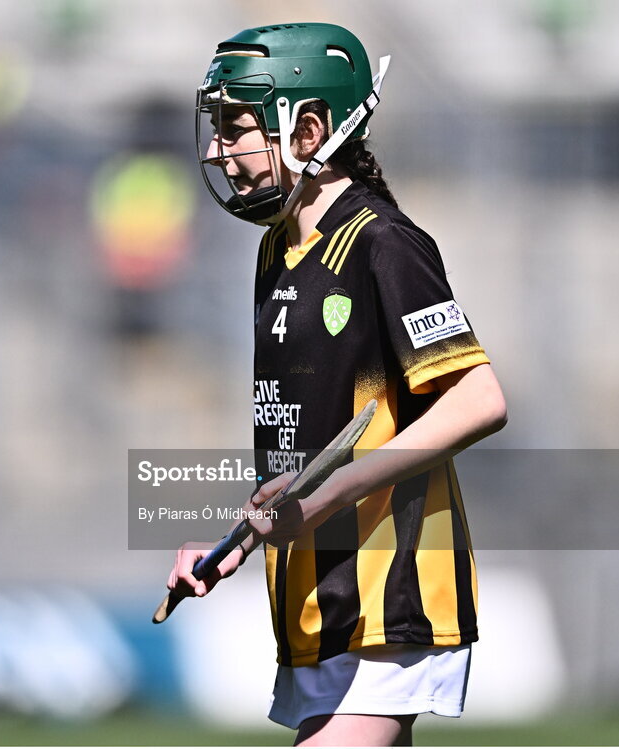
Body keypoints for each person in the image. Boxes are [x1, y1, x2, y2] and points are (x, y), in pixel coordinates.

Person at [167, 22, 508, 747]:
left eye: (237, 128)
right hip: (316, 599)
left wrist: (324, 499)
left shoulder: (384, 244)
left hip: (388, 593)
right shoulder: (276, 251)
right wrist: (231, 545)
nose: (219, 150)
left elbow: (479, 398)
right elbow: (314, 442)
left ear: (309, 127)